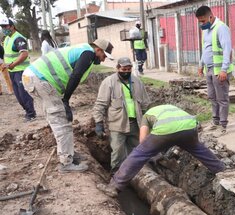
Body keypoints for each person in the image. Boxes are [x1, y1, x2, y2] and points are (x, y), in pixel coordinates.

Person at [22, 39, 115, 173]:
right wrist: (65, 100)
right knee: (61, 120)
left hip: (33, 78)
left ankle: (68, 153)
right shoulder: (88, 53)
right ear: (98, 49)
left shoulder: (83, 50)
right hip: (39, 79)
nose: (103, 59)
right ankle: (66, 162)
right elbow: (76, 75)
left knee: (57, 118)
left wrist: (65, 99)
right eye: (104, 56)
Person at [97, 104, 225, 197]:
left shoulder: (146, 116)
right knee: (198, 149)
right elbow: (178, 135)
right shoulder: (169, 108)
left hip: (166, 130)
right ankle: (221, 169)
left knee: (138, 154)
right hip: (190, 126)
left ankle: (114, 187)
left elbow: (142, 140)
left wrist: (152, 152)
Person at [93, 57, 151, 173]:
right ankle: (117, 176)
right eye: (124, 69)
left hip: (136, 124)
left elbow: (145, 103)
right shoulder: (109, 82)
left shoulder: (137, 82)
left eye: (129, 69)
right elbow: (100, 104)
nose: (126, 71)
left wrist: (148, 121)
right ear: (118, 68)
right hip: (117, 125)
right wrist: (98, 122)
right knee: (118, 152)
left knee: (138, 151)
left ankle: (139, 174)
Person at [196, 5, 234, 136]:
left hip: (219, 70)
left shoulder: (221, 28)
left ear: (210, 17)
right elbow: (205, 48)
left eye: (203, 21)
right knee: (212, 97)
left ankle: (223, 126)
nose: (201, 24)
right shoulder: (206, 30)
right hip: (209, 69)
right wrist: (201, 64)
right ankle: (215, 121)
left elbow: (227, 50)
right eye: (199, 21)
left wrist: (224, 70)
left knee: (222, 98)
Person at [0, 17, 36, 121]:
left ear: (12, 26)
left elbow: (24, 54)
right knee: (18, 95)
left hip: (21, 70)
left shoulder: (18, 38)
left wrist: (13, 64)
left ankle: (31, 114)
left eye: (5, 26)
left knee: (23, 94)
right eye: (2, 27)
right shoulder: (7, 38)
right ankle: (27, 111)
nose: (3, 29)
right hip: (12, 71)